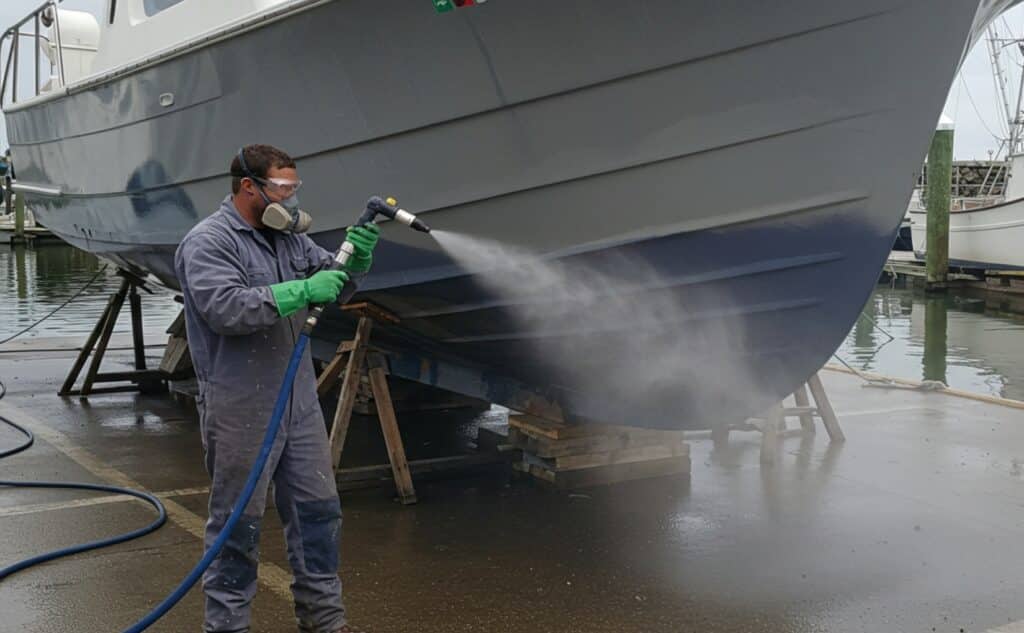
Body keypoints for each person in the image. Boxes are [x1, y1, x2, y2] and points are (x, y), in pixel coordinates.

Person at [174, 144, 379, 633]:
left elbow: (331, 279)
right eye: (282, 188)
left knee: (318, 515)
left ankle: (325, 622)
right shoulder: (209, 242)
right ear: (250, 187)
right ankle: (228, 627)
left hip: (298, 402)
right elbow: (225, 309)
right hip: (241, 405)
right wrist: (301, 292)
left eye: (294, 189)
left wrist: (355, 262)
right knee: (237, 528)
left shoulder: (286, 239)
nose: (289, 198)